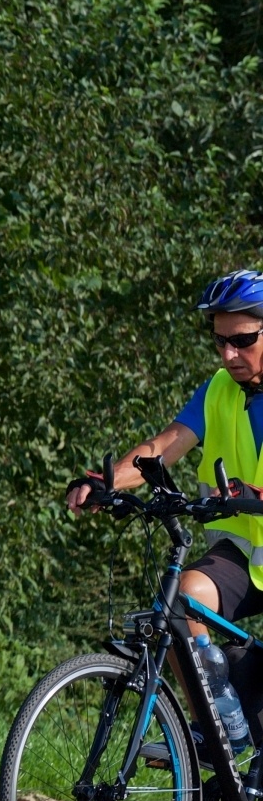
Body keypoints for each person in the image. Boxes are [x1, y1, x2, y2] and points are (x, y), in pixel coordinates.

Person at [66, 269, 263, 749]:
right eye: (220, 342)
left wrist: (248, 491)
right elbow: (162, 446)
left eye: (242, 340)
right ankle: (219, 735)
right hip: (249, 555)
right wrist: (105, 481)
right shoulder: (219, 389)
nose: (228, 355)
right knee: (178, 602)